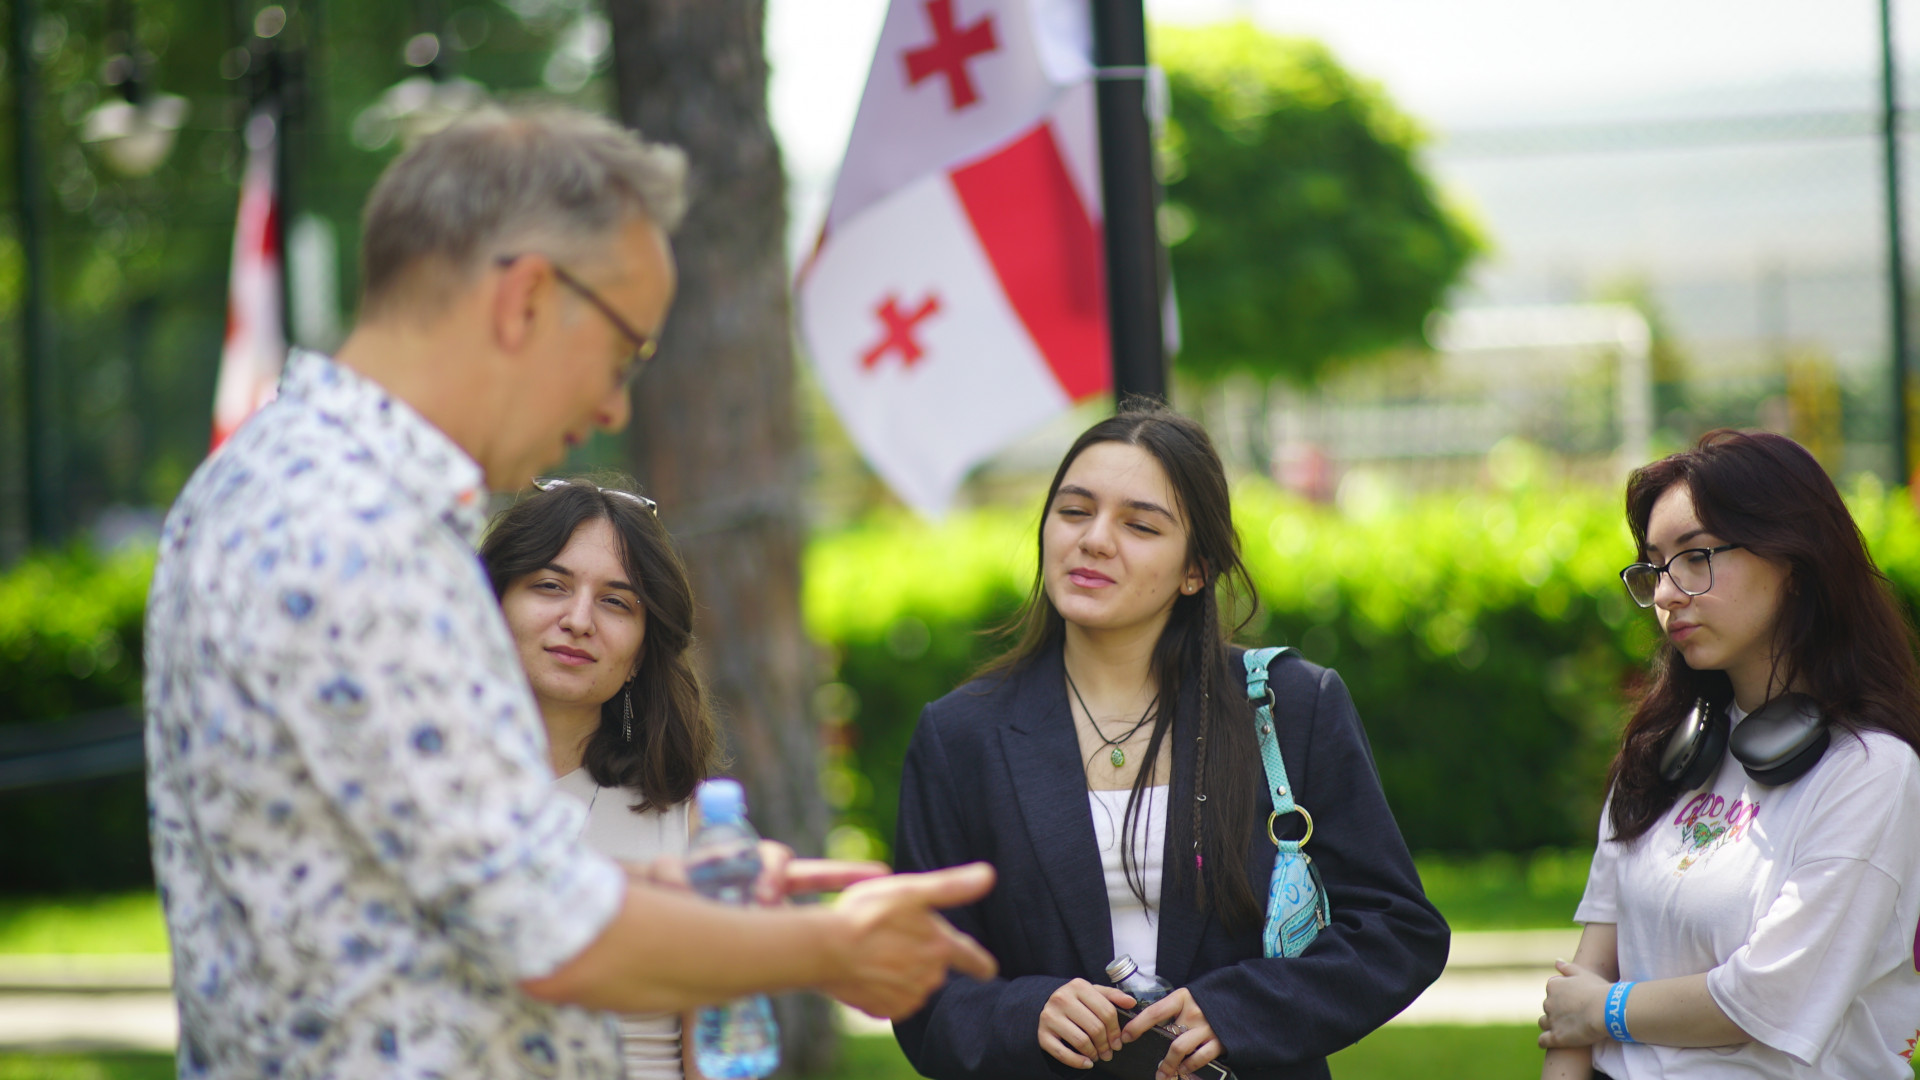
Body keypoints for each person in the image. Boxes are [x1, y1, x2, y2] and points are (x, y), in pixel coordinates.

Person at [144, 105, 994, 1080]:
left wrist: (668, 893)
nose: (614, 406)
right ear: (528, 299)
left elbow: (410, 887)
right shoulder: (358, 530)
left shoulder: (278, 476)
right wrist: (830, 949)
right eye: (625, 350)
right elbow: (549, 939)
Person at [891, 403, 1448, 1080]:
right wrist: (1025, 1011)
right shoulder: (961, 736)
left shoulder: (1290, 706)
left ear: (1195, 569)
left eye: (1140, 524)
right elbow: (920, 983)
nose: (1095, 540)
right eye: (1074, 512)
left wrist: (1236, 1011)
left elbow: (1396, 932)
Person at [1539, 430, 1920, 1079]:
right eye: (1655, 566)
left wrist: (1609, 1011)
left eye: (1695, 558)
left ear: (1794, 563)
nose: (1665, 593)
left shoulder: (1869, 770)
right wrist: (1585, 1025)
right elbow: (1583, 978)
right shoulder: (1659, 753)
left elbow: (1767, 997)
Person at [481, 476, 719, 1078]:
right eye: (550, 586)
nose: (579, 619)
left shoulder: (691, 826)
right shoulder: (412, 795)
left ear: (641, 650)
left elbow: (717, 1057)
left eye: (616, 602)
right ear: (488, 604)